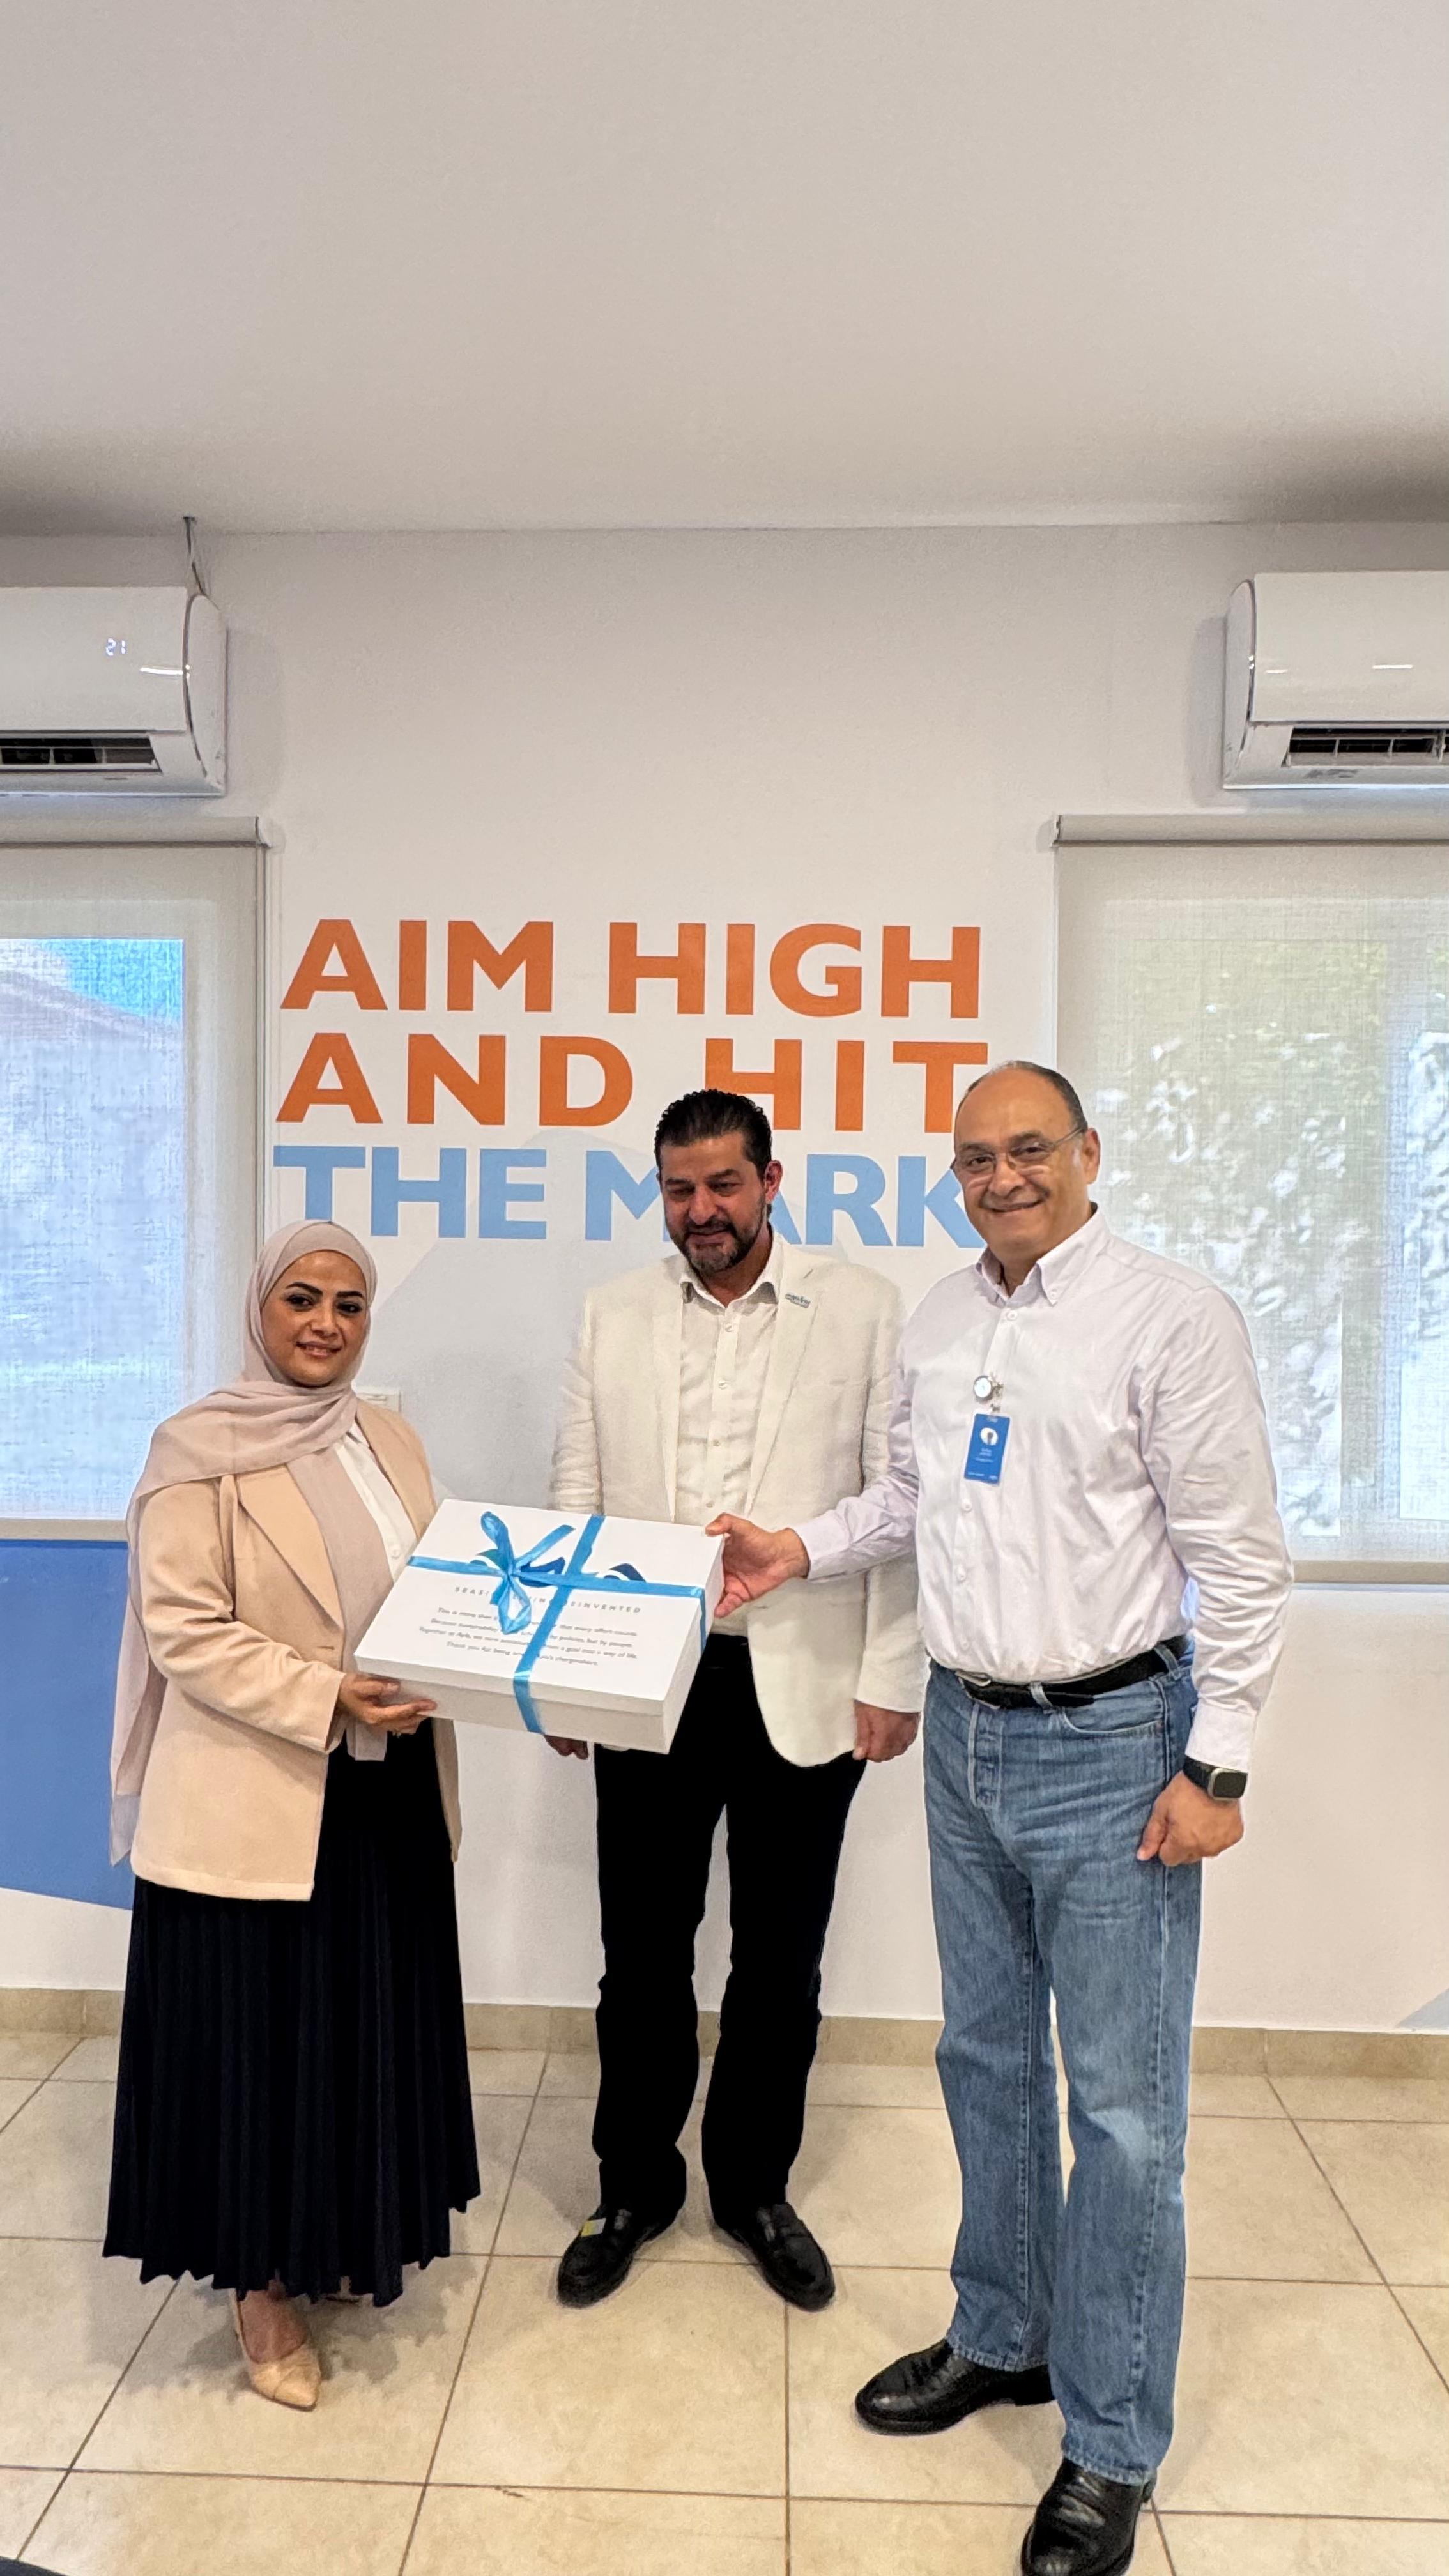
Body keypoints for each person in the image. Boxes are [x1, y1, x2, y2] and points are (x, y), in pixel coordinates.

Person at [710, 1062, 1292, 2576]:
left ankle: (1112, 2441)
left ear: (1089, 1153)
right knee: (983, 2060)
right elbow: (911, 1502)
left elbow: (1242, 1557)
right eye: (976, 1158)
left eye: (1030, 1149)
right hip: (965, 1734)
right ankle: (1004, 2333)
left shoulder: (1171, 1317)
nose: (1002, 1176)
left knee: (1124, 2115)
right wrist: (796, 1548)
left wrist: (1217, 1766)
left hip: (1116, 1745)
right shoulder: (943, 1320)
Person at [547, 1087, 923, 2312]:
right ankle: (632, 2187)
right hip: (645, 1681)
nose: (700, 1210)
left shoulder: (863, 1307)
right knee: (640, 1958)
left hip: (803, 1679)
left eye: (722, 1184)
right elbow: (575, 1493)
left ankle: (754, 2188)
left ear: (771, 1181)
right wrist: (565, 1670)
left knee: (779, 1961)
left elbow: (902, 1500)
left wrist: (892, 1673)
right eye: (678, 1189)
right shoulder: (612, 1312)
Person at [104, 1221, 478, 2409]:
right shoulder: (195, 1451)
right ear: (260, 1308)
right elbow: (184, 1629)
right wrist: (327, 1694)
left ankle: (337, 2237)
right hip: (257, 1792)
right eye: (302, 1299)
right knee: (259, 2044)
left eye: (349, 1305)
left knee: (357, 2025)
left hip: (386, 1783)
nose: (326, 1323)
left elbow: (448, 1593)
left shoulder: (390, 1438)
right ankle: (260, 2292)